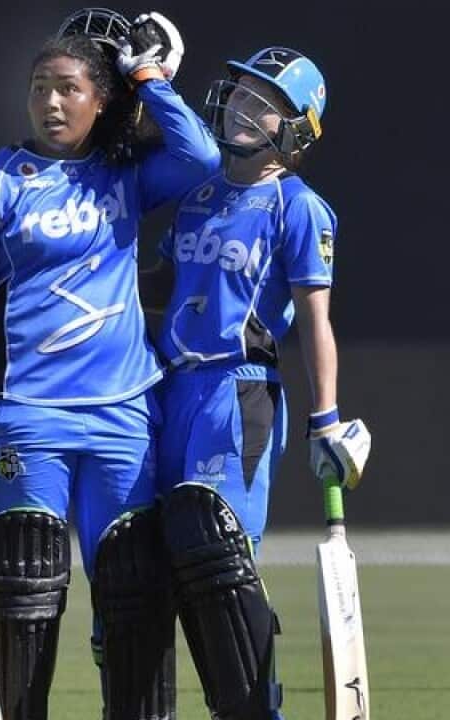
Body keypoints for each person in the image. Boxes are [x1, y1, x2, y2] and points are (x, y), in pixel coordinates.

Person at [0, 9, 218, 719]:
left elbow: (199, 157)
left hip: (123, 413)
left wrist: (148, 76)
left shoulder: (125, 177)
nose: (50, 102)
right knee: (26, 594)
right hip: (27, 418)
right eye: (40, 87)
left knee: (134, 596)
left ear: (100, 100)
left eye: (69, 88)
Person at [139, 47, 371, 719]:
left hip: (238, 395)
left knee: (217, 560)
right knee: (157, 568)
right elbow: (160, 287)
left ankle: (252, 709)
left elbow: (317, 322)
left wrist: (325, 419)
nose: (241, 104)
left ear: (297, 126)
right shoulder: (198, 195)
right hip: (165, 392)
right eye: (240, 90)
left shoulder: (299, 208)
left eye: (262, 100)